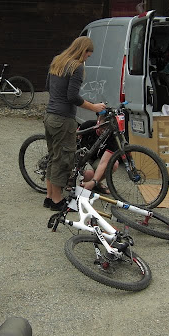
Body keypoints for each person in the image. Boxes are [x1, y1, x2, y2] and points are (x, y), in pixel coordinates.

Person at [44, 37, 106, 210]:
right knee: (63, 160)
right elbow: (72, 97)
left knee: (53, 157)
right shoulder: (76, 67)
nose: (87, 59)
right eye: (88, 55)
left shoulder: (57, 61)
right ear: (83, 51)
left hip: (50, 116)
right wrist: (93, 106)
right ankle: (57, 201)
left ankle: (49, 197)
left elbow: (48, 86)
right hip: (63, 120)